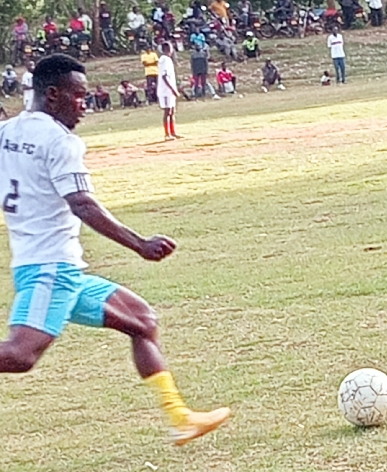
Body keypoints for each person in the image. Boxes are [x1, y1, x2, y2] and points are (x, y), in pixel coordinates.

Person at [0, 55, 229, 444]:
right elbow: (82, 203)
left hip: (59, 268)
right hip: (50, 269)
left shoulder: (7, 132)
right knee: (21, 356)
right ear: (52, 95)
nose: (84, 105)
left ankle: (181, 418)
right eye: (78, 96)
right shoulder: (60, 141)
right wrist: (139, 244)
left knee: (142, 321)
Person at [157, 41, 180, 139]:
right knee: (167, 111)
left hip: (170, 90)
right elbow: (164, 76)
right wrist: (173, 89)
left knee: (172, 111)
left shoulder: (168, 60)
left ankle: (173, 132)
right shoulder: (164, 60)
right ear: (168, 49)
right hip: (165, 91)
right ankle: (167, 134)